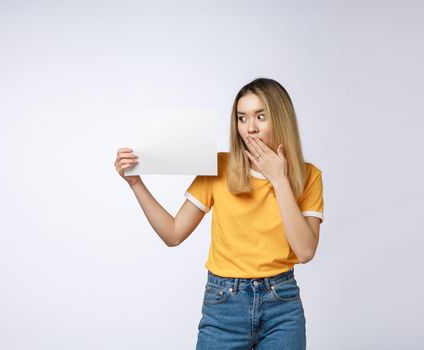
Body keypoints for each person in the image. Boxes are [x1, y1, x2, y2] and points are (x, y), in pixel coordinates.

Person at [114, 78, 324, 349]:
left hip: (282, 306)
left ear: (280, 119)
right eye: (241, 117)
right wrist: (136, 183)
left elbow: (306, 251)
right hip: (224, 303)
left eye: (261, 117)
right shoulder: (219, 167)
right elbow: (173, 234)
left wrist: (279, 180)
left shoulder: (309, 175)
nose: (250, 128)